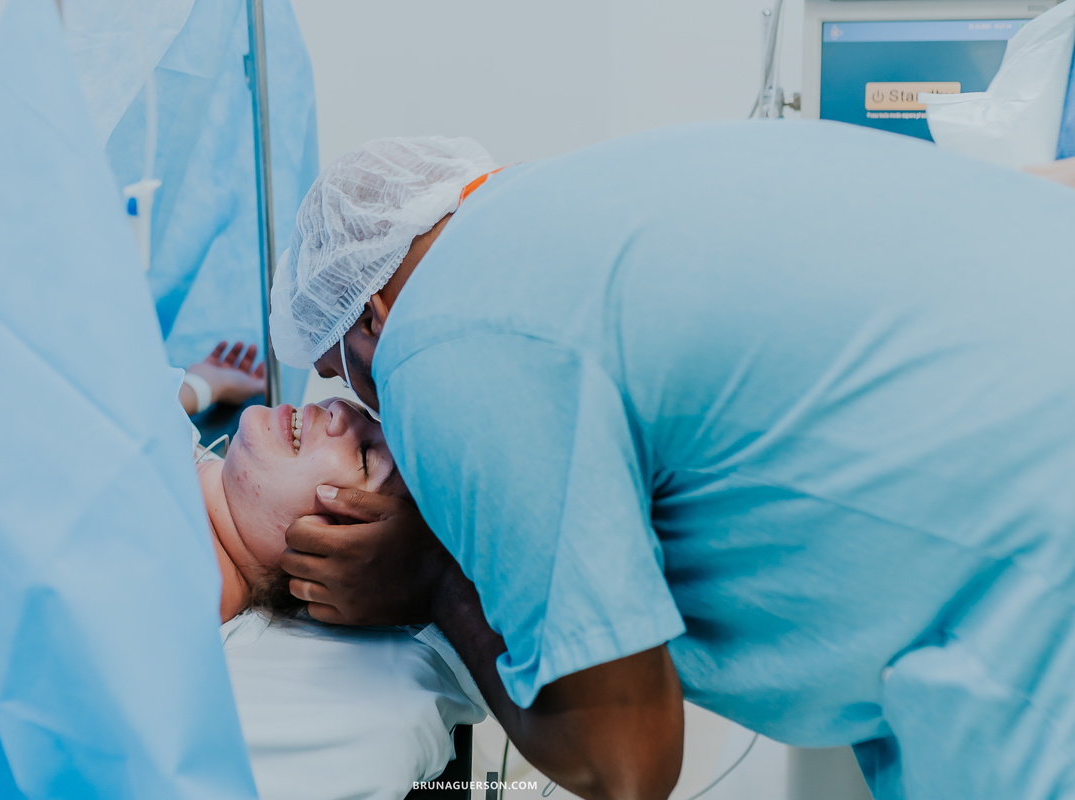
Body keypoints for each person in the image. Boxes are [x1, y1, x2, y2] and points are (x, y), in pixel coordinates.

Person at [267, 129, 1075, 800]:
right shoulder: (590, 196)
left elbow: (628, 765)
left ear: (372, 313)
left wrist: (435, 584)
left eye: (348, 380)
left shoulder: (441, 341)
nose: (362, 412)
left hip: (1030, 549)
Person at [196, 395, 405, 623]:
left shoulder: (185, 587)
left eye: (366, 456)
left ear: (327, 541)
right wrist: (202, 388)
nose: (342, 407)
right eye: (369, 414)